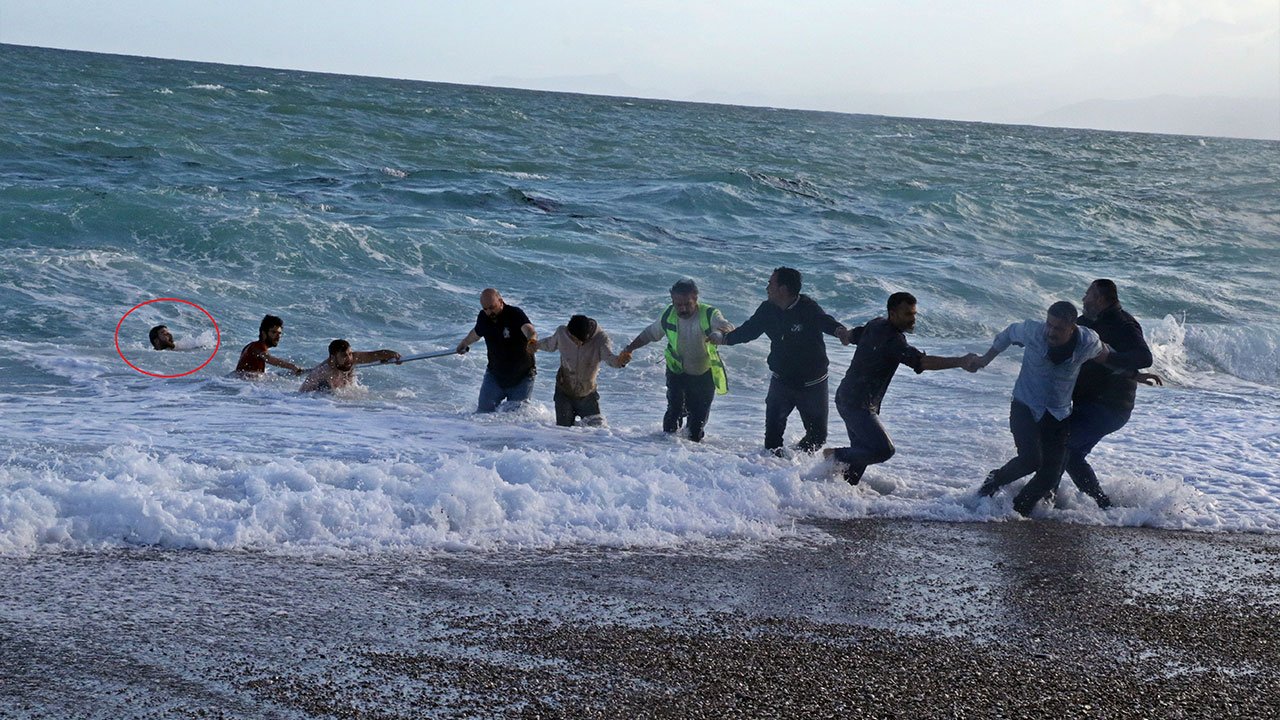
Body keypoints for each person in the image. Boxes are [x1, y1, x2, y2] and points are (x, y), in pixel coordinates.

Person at [971, 301, 1110, 516]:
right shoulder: (1032, 331)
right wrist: (984, 360)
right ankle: (994, 481)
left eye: (1058, 328)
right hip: (1024, 405)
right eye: (1049, 325)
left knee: (1050, 476)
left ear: (1072, 327)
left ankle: (1018, 511)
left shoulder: (1087, 341)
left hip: (1058, 412)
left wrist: (1132, 374)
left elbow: (1105, 355)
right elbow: (1008, 334)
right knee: (1030, 460)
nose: (1051, 332)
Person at [824, 292, 975, 484]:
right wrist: (960, 361)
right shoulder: (894, 341)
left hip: (848, 397)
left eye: (914, 314)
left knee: (861, 454)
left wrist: (844, 335)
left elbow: (856, 335)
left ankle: (836, 493)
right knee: (882, 450)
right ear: (892, 314)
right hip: (858, 404)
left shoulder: (876, 324)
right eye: (907, 314)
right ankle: (833, 455)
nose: (912, 319)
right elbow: (922, 362)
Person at [713, 267, 851, 454]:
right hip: (782, 381)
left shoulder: (807, 308)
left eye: (771, 283)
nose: (767, 287)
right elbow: (749, 330)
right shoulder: (767, 309)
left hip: (813, 384)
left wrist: (839, 331)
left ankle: (795, 462)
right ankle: (773, 470)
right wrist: (724, 339)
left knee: (817, 438)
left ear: (783, 290)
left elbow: (824, 321)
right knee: (772, 441)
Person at [1061, 279, 1160, 509]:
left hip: (1110, 406)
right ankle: (1103, 505)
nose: (1083, 299)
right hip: (1087, 402)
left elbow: (1145, 357)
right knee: (1070, 454)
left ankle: (1043, 500)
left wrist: (1108, 358)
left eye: (1088, 294)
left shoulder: (1124, 324)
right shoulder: (1086, 322)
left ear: (1100, 299)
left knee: (1063, 448)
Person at [620, 278, 734, 442]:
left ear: (695, 298)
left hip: (704, 374)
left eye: (687, 304)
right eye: (678, 304)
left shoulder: (709, 314)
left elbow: (728, 326)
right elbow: (649, 334)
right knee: (673, 413)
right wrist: (630, 348)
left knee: (696, 426)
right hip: (677, 371)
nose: (682, 308)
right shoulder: (668, 314)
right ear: (672, 300)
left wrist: (719, 334)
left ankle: (691, 458)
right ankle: (665, 451)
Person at [535, 314, 628, 427]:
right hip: (564, 392)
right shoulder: (561, 333)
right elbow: (549, 344)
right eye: (576, 340)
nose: (579, 344)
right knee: (562, 432)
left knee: (597, 433)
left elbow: (610, 359)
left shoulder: (600, 339)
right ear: (569, 332)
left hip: (587, 395)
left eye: (583, 342)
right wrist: (535, 345)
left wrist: (621, 361)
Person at [455, 288, 537, 412]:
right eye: (485, 309)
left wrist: (532, 341)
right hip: (495, 375)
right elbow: (476, 333)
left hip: (522, 376)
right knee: (482, 414)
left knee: (514, 418)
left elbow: (529, 329)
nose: (489, 312)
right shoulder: (484, 317)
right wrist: (464, 343)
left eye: (492, 307)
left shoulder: (515, 314)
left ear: (501, 301)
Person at [299, 339, 400, 393]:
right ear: (333, 357)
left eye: (350, 354)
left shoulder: (353, 358)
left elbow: (373, 355)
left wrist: (393, 355)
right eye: (344, 356)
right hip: (322, 403)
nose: (349, 359)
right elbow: (302, 393)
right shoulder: (322, 372)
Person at [234, 314, 304, 377]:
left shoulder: (251, 345)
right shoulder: (257, 346)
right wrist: (292, 366)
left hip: (241, 384)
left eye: (279, 333)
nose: (278, 336)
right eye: (274, 332)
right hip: (241, 384)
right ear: (264, 333)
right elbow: (268, 358)